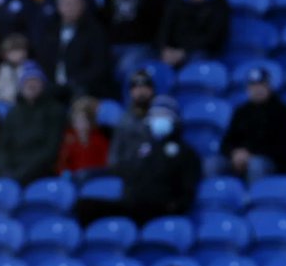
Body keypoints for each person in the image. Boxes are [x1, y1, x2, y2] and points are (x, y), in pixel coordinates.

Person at [75, 96, 202, 227]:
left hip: (159, 206)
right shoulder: (143, 148)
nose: (157, 119)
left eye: (162, 115)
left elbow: (188, 189)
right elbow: (126, 172)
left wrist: (174, 206)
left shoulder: (185, 152)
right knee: (85, 207)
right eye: (155, 115)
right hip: (133, 204)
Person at [211, 67, 286, 183]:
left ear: (269, 86)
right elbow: (227, 141)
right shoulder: (241, 111)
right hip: (240, 159)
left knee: (256, 165)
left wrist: (250, 155)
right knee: (213, 164)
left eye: (261, 85)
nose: (257, 89)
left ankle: (254, 198)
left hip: (269, 161)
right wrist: (234, 153)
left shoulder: (283, 112)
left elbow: (284, 147)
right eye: (253, 86)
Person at [37, 0, 115, 101]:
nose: (70, 7)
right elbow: (44, 60)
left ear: (82, 6)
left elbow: (99, 66)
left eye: (75, 3)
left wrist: (74, 82)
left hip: (84, 88)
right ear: (59, 7)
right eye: (66, 4)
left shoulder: (95, 31)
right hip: (53, 87)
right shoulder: (50, 32)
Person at [0, 63, 66, 185]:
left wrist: (24, 172)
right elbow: (3, 147)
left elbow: (51, 149)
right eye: (27, 81)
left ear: (43, 84)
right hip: (12, 171)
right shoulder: (13, 113)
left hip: (40, 172)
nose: (31, 85)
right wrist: (5, 170)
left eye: (35, 81)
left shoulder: (54, 111)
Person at [156, 0, 230, 68]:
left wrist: (184, 52)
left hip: (202, 52)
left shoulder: (218, 2)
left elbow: (214, 38)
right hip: (176, 51)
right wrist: (164, 49)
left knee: (197, 61)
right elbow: (165, 28)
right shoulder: (176, 0)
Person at [107, 70, 156, 168]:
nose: (141, 91)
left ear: (152, 90)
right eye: (136, 88)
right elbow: (115, 154)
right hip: (130, 171)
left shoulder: (161, 116)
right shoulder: (124, 120)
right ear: (131, 92)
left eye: (145, 87)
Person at [57, 97, 109, 177]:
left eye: (84, 121)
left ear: (90, 122)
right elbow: (62, 164)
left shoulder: (100, 140)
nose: (81, 125)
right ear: (73, 123)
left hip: (96, 177)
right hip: (75, 179)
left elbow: (106, 162)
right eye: (77, 121)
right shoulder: (68, 141)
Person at [0, 33, 31, 106]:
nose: (16, 54)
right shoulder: (2, 69)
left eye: (19, 50)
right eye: (13, 51)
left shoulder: (28, 68)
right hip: (4, 101)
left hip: (22, 103)